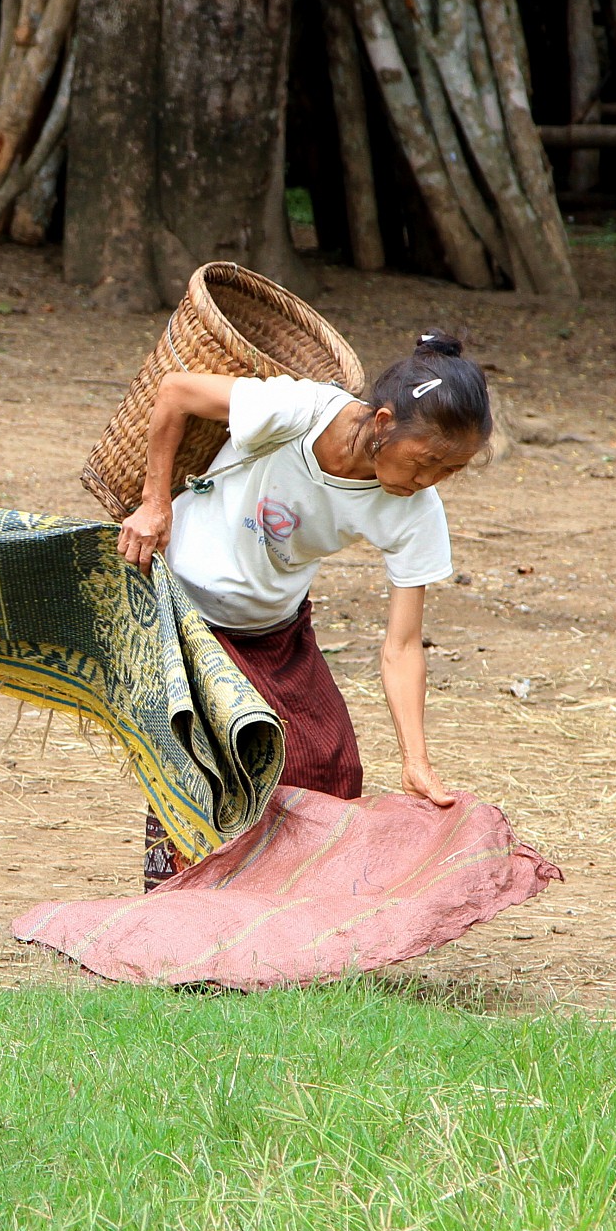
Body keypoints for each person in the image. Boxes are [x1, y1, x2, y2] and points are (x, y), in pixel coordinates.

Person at [116, 333, 489, 886]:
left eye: (450, 469)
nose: (429, 480)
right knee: (219, 761)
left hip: (275, 625)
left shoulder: (414, 512)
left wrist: (416, 759)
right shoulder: (298, 410)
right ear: (384, 422)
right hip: (184, 610)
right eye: (427, 460)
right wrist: (154, 502)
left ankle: (281, 919)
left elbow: (403, 645)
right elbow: (175, 392)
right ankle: (177, 913)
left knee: (329, 765)